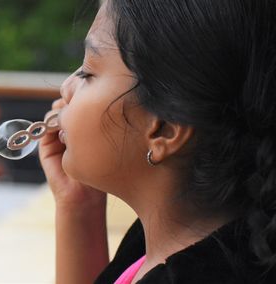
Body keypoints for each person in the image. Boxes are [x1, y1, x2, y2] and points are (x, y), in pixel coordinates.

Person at [38, 0, 276, 283]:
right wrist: (78, 206)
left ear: (164, 129)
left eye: (88, 72)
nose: (66, 88)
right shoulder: (180, 245)